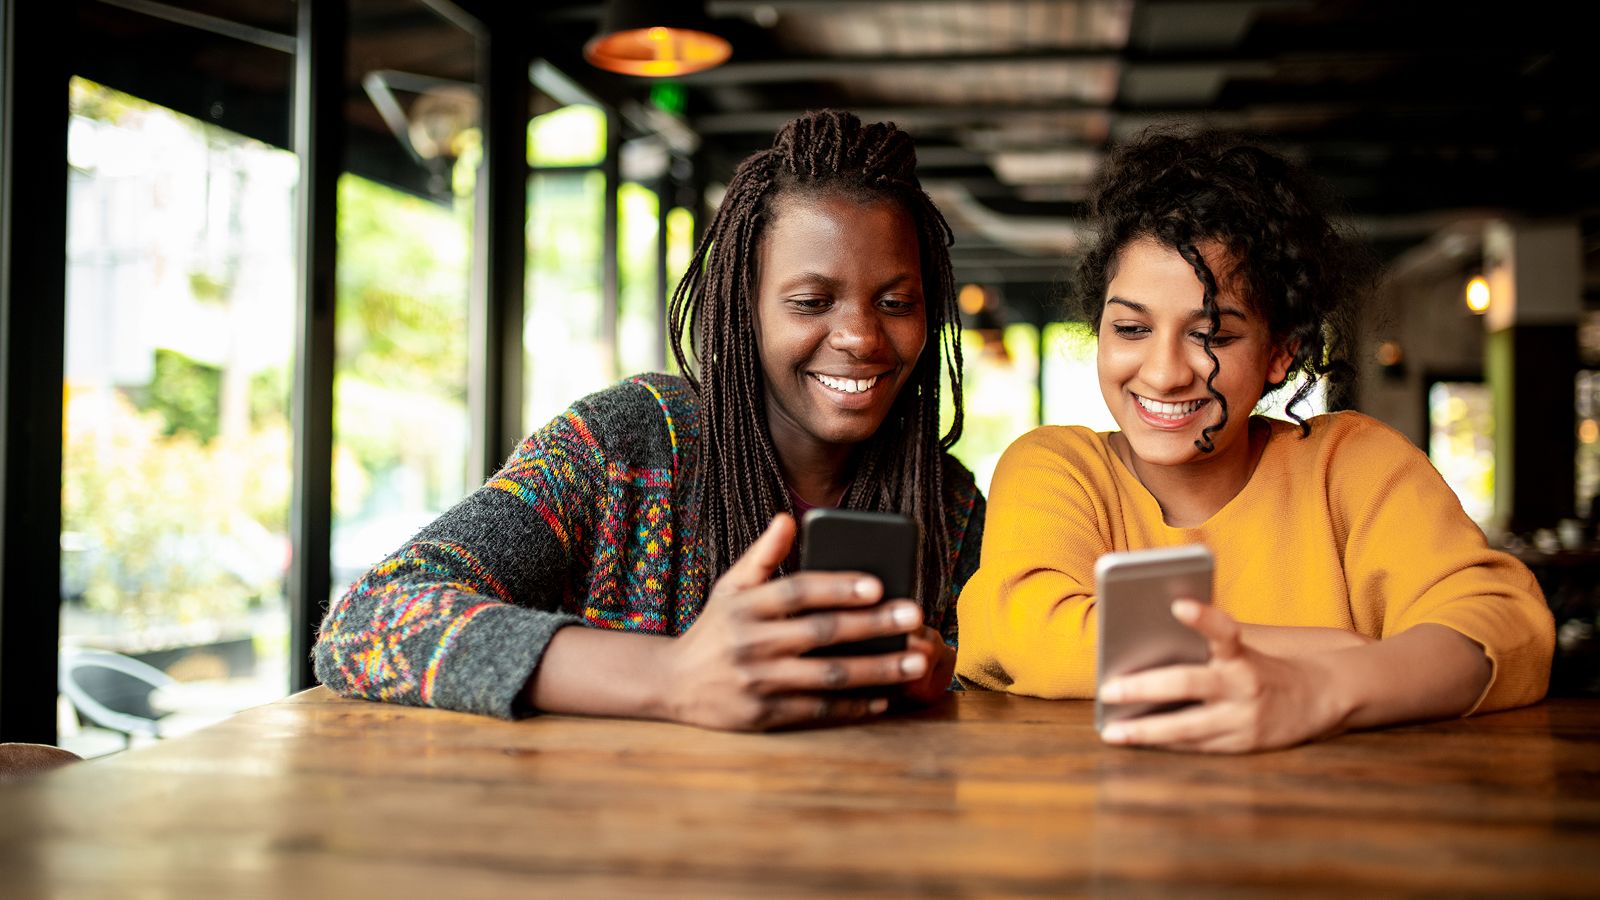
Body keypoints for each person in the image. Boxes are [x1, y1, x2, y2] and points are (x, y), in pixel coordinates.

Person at [315, 110, 985, 731]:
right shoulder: (623, 445)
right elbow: (370, 624)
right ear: (742, 309)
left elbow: (996, 702)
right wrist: (670, 676)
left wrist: (941, 681)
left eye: (896, 302)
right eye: (811, 301)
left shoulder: (950, 506)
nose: (862, 337)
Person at [955, 130, 1553, 752]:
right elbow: (1027, 634)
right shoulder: (1058, 467)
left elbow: (1507, 625)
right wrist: (1335, 650)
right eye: (1131, 328)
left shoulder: (1353, 465)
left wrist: (1319, 688)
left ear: (1280, 352)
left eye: (1211, 336)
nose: (1162, 372)